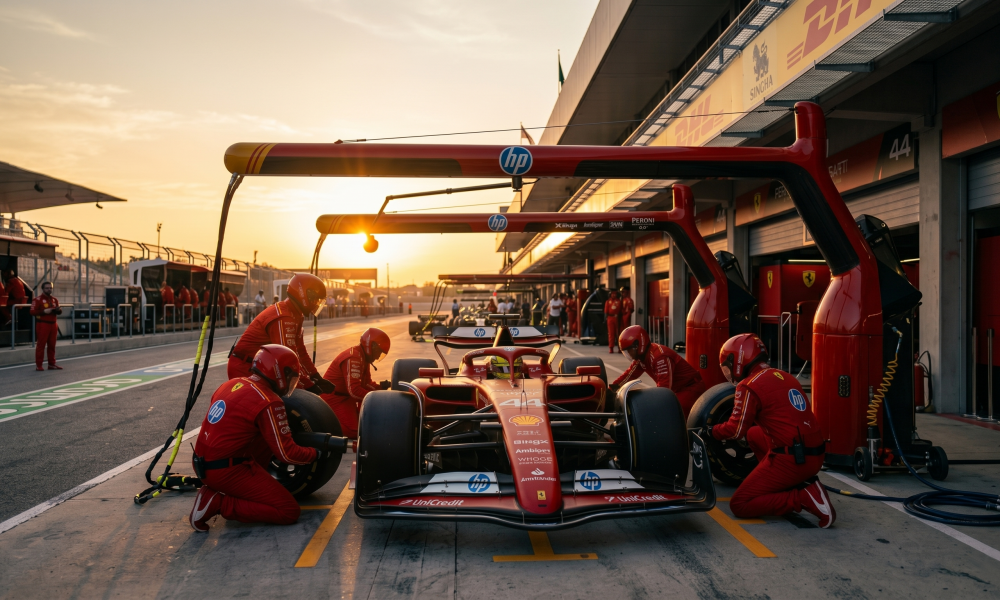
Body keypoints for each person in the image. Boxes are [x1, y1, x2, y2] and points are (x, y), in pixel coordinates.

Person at [188, 344, 345, 531]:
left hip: (202, 463)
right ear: (279, 373)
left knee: (264, 437)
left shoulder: (230, 384)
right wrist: (317, 454)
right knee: (288, 510)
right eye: (290, 377)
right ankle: (217, 502)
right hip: (225, 470)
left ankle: (223, 490)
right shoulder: (269, 401)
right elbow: (288, 455)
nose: (291, 383)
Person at [710, 333, 835, 528]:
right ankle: (784, 483)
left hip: (793, 458)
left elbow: (735, 431)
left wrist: (711, 431)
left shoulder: (748, 385)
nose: (727, 373)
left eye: (726, 366)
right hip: (815, 454)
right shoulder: (784, 375)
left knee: (739, 505)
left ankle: (802, 497)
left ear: (738, 360)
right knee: (754, 434)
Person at [228, 273, 335, 396]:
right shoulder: (284, 317)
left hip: (260, 366)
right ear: (304, 294)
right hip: (245, 367)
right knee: (267, 405)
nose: (316, 303)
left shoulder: (296, 314)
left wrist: (315, 376)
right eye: (315, 298)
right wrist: (308, 385)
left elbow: (300, 352)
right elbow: (287, 360)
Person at [612, 326, 706, 416]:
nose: (629, 355)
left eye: (629, 351)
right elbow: (628, 375)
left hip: (691, 388)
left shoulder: (659, 357)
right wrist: (611, 389)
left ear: (637, 345)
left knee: (669, 411)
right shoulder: (641, 358)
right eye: (626, 352)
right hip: (676, 390)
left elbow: (664, 389)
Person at [319, 328, 391, 438]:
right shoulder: (354, 357)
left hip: (345, 397)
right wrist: (376, 398)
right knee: (353, 431)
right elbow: (354, 391)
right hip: (333, 398)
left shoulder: (363, 357)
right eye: (379, 352)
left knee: (364, 423)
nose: (377, 356)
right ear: (372, 346)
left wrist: (381, 388)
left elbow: (366, 384)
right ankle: (320, 424)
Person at [30, 281, 61, 371]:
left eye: (50, 288)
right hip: (42, 324)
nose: (49, 289)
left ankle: (52, 364)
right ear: (43, 289)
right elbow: (32, 312)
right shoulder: (37, 300)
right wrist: (44, 311)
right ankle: (39, 365)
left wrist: (58, 310)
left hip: (53, 324)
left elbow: (59, 312)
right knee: (41, 345)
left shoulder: (55, 300)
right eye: (47, 288)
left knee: (52, 345)